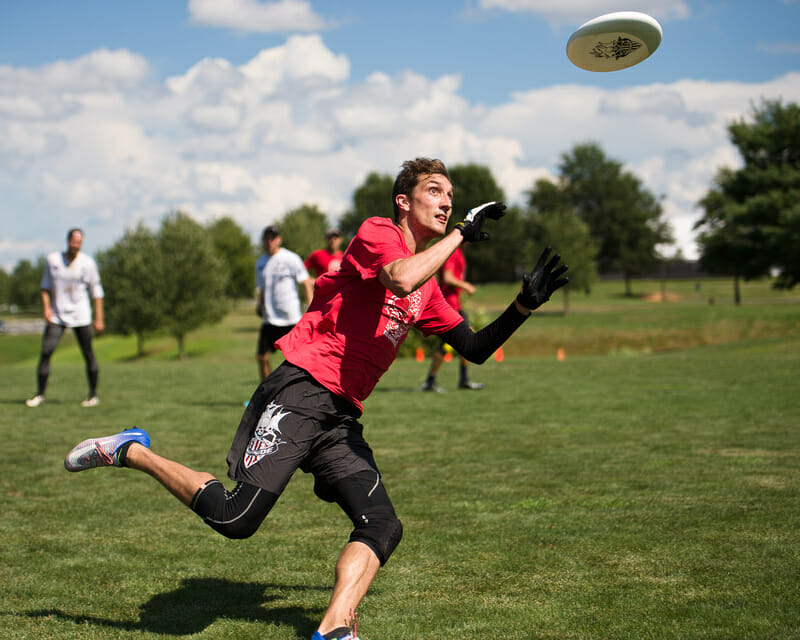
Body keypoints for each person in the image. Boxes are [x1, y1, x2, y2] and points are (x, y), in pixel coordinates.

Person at [63, 157, 568, 640]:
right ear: (402, 202)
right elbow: (400, 276)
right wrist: (460, 235)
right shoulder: (379, 233)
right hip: (302, 389)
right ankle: (133, 449)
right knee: (236, 520)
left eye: (451, 197)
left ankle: (335, 626)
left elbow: (475, 348)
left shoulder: (428, 289)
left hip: (340, 416)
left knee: (382, 526)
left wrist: (523, 306)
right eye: (434, 192)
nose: (446, 203)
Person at [26, 228, 105, 408]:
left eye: (79, 243)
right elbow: (45, 287)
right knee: (46, 351)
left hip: (81, 315)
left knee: (88, 354)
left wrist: (99, 318)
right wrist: (47, 309)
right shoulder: (53, 260)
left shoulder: (88, 263)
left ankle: (93, 395)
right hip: (58, 314)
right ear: (68, 241)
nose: (76, 245)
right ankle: (40, 395)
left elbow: (97, 293)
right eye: (73, 242)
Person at [255, 225, 315, 381]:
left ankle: (298, 393)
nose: (269, 241)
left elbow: (306, 282)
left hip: (291, 318)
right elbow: (262, 289)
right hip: (270, 319)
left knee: (298, 360)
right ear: (262, 240)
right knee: (262, 357)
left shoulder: (291, 258)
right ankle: (267, 394)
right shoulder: (260, 263)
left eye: (272, 238)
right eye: (266, 238)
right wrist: (259, 304)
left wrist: (310, 307)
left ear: (279, 239)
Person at [421, 244, 484, 392]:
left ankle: (462, 379)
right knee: (453, 342)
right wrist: (465, 285)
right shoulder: (453, 251)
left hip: (455, 305)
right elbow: (447, 278)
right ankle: (432, 381)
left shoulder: (457, 251)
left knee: (465, 338)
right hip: (449, 305)